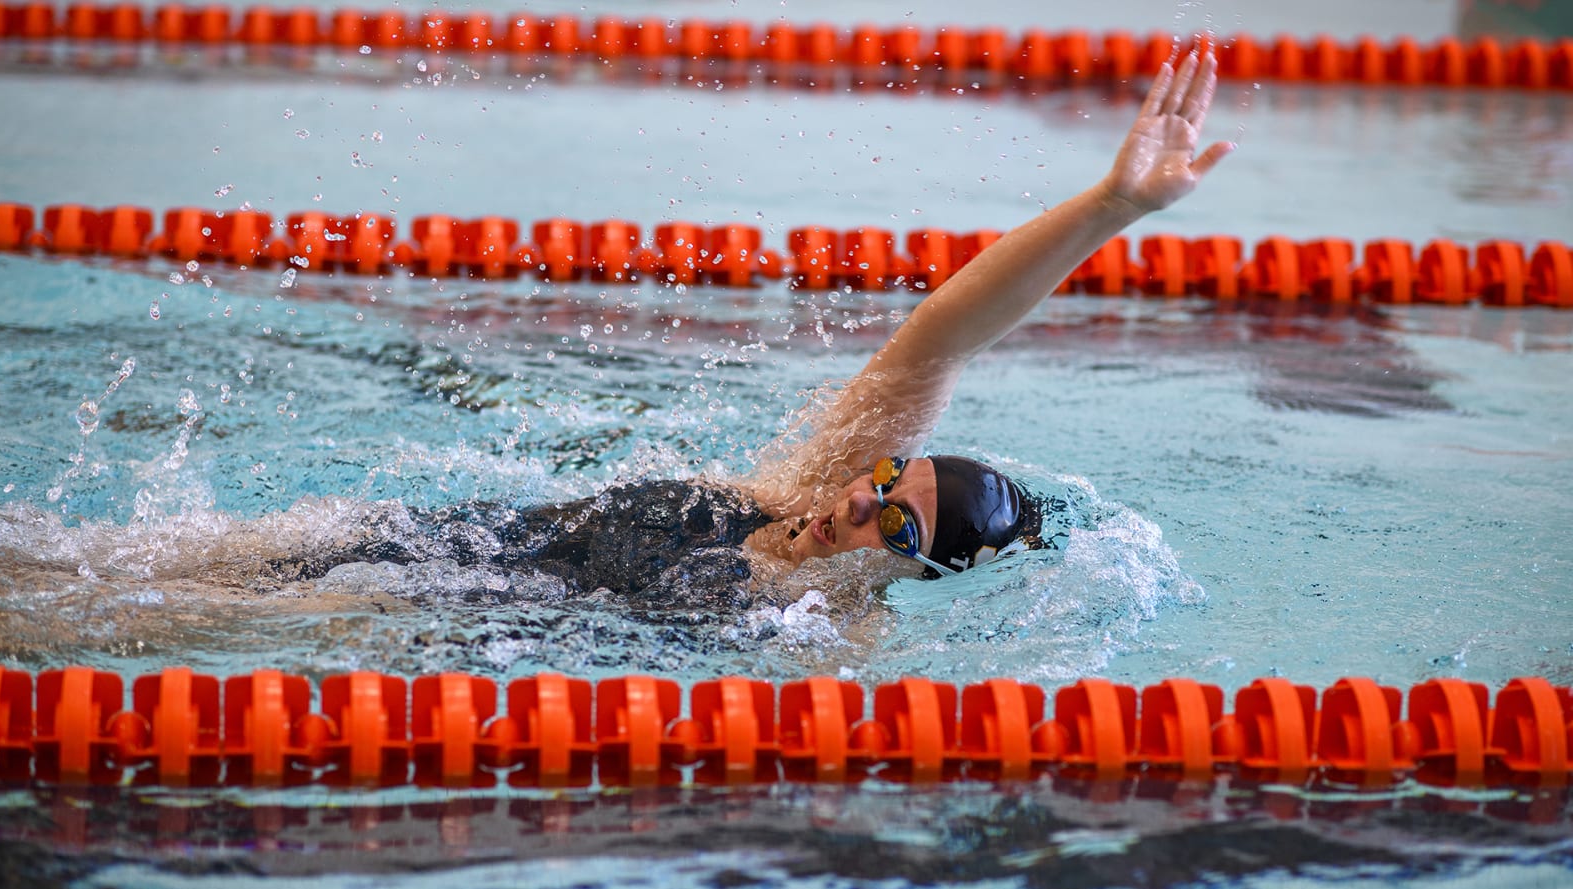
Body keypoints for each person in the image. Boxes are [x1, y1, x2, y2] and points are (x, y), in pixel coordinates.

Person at [298, 51, 1233, 602]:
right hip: (426, 545)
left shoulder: (820, 646)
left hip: (417, 627)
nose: (861, 505)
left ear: (918, 584)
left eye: (897, 531)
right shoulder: (802, 495)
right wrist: (1112, 206)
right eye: (884, 483)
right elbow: (943, 335)